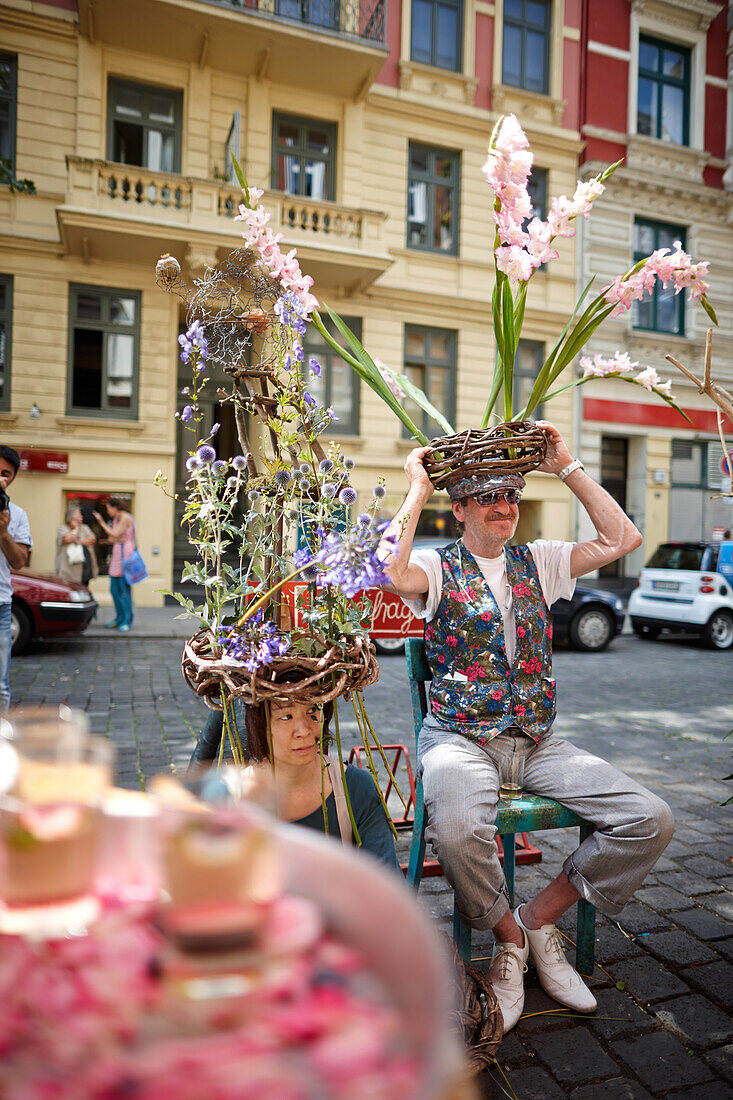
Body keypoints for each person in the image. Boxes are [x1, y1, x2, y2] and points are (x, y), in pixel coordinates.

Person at [380, 421, 674, 1032]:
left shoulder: (540, 562)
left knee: (651, 818)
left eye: (512, 495)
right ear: (458, 507)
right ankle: (508, 940)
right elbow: (387, 570)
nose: (503, 505)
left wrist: (566, 464)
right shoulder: (437, 568)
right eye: (488, 495)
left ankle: (540, 921)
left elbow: (625, 536)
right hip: (460, 738)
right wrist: (417, 485)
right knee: (459, 829)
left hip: (536, 742)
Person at [189, 692, 401, 872]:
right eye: (286, 716)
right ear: (259, 725)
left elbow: (390, 890)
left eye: (312, 712)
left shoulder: (355, 788)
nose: (304, 731)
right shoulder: (229, 799)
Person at [0, 446, 32, 712]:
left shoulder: (16, 515)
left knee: (0, 687)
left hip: (1, 606)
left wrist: (3, 532)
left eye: (5, 474)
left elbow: (19, 561)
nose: (1, 479)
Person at [93, 498, 135, 632]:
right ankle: (119, 618)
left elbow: (114, 534)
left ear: (115, 507)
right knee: (114, 590)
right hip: (117, 555)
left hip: (125, 556)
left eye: (108, 508)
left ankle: (126, 620)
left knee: (123, 591)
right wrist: (115, 537)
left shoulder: (125, 517)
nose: (107, 511)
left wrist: (101, 522)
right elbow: (112, 538)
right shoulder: (117, 520)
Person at [55, 505, 98, 586]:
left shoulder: (85, 528)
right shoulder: (62, 529)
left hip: (85, 569)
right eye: (78, 516)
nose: (81, 517)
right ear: (70, 518)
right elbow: (68, 539)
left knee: (84, 591)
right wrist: (76, 528)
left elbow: (92, 540)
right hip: (68, 571)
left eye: (81, 515)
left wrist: (79, 542)